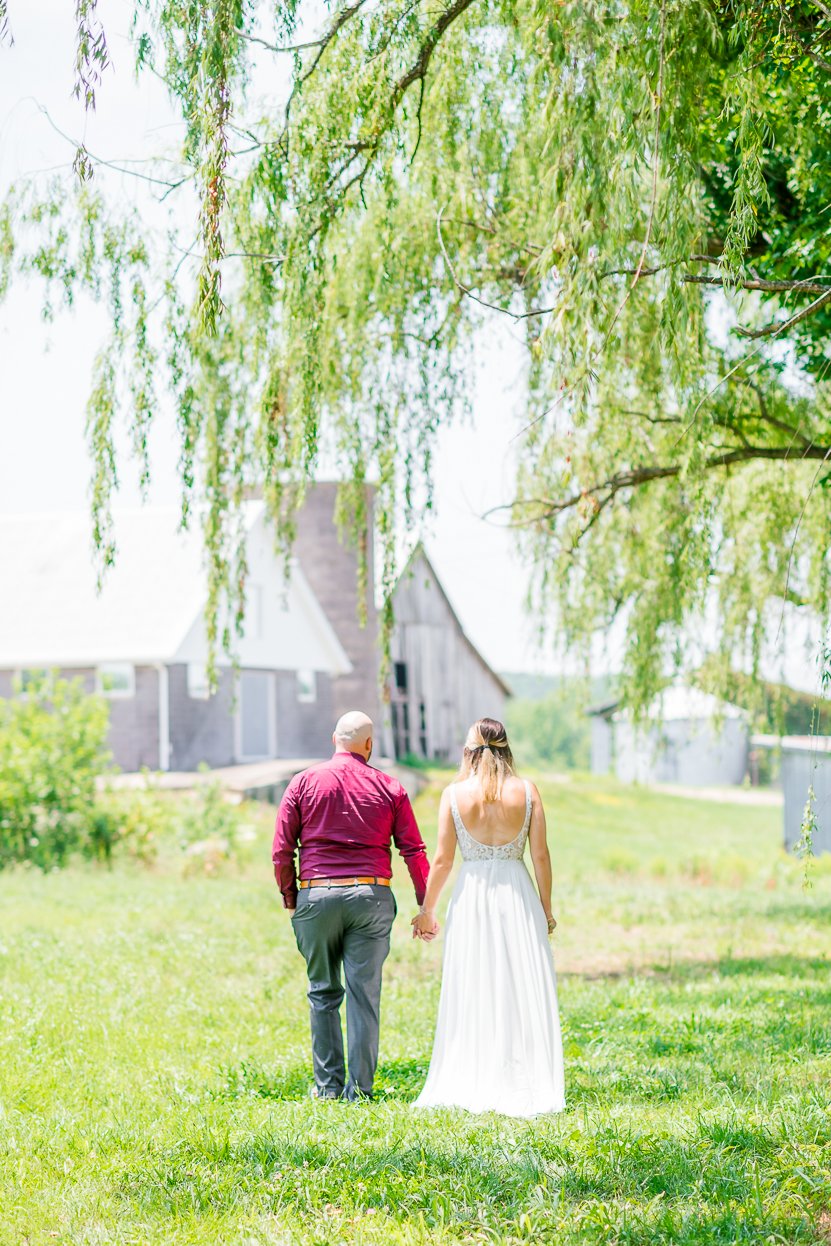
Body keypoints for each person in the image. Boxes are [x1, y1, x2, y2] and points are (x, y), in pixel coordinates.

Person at [272, 710, 432, 1101]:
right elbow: (413, 850)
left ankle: (327, 1088)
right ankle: (359, 1091)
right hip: (371, 896)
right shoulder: (389, 787)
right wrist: (425, 905)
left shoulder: (303, 782)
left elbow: (281, 850)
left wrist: (292, 898)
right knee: (364, 995)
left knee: (322, 992)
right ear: (369, 745)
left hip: (317, 895)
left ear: (334, 739)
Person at [412, 717, 565, 1117]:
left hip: (473, 895)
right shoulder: (528, 791)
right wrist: (546, 910)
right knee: (520, 984)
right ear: (506, 748)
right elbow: (541, 856)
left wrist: (427, 911)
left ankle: (475, 1073)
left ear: (469, 751)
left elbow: (443, 860)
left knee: (475, 981)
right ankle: (524, 1077)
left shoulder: (453, 793)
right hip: (517, 893)